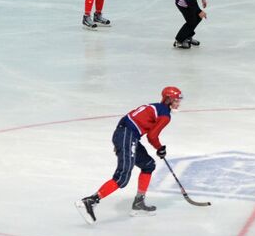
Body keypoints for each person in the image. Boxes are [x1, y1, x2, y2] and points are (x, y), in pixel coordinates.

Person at [76, 86, 182, 224]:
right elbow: (152, 135)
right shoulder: (165, 115)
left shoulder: (154, 106)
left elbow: (126, 118)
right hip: (127, 136)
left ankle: (138, 204)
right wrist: (159, 148)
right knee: (123, 176)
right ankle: (90, 201)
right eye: (175, 99)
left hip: (126, 135)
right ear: (168, 99)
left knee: (148, 165)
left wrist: (120, 140)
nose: (178, 102)